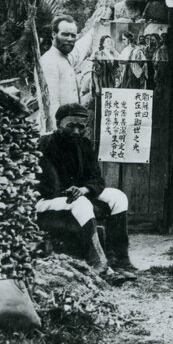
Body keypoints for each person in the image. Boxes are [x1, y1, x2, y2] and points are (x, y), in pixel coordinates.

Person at [35, 103, 138, 281]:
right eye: (70, 126)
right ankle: (99, 265)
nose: (76, 131)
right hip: (46, 200)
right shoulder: (44, 145)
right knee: (80, 202)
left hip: (75, 196)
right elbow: (43, 185)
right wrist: (68, 191)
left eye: (81, 127)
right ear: (58, 123)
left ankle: (119, 260)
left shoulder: (84, 144)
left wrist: (84, 189)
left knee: (118, 197)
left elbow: (97, 179)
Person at [39, 15, 93, 132]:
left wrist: (94, 30)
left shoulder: (64, 57)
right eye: (65, 34)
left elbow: (79, 50)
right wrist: (55, 132)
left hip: (70, 131)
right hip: (59, 133)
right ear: (54, 35)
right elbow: (51, 102)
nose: (69, 39)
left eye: (73, 35)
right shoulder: (49, 61)